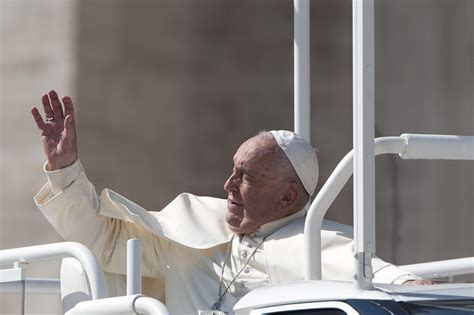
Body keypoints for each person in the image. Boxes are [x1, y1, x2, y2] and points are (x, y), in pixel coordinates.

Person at [31, 91, 429, 315]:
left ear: (287, 196)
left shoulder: (314, 243)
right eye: (233, 170)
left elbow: (371, 270)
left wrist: (410, 283)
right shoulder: (190, 228)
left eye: (247, 178)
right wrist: (64, 168)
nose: (228, 185)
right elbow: (102, 238)